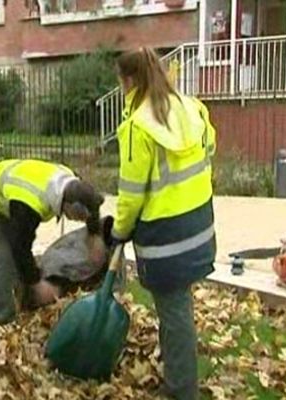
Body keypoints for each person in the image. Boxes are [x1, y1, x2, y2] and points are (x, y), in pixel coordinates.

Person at [110, 48, 217, 400]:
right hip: (199, 226)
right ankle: (178, 376)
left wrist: (118, 232)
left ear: (128, 81)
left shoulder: (137, 126)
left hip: (165, 238)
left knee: (174, 313)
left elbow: (131, 195)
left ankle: (182, 390)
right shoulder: (192, 108)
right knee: (177, 308)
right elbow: (209, 148)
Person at [0, 158, 106, 325]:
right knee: (6, 258)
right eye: (79, 217)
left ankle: (23, 302)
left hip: (11, 194)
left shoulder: (71, 181)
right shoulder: (31, 203)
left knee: (18, 260)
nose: (79, 221)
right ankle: (2, 320)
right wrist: (36, 283)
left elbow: (90, 205)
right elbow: (20, 247)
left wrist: (94, 236)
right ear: (70, 207)